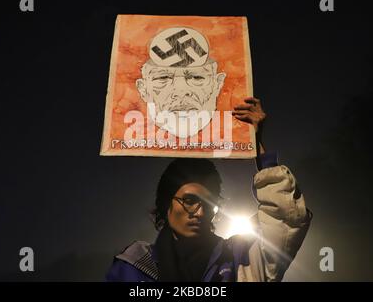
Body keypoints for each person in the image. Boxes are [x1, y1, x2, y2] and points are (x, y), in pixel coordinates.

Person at [106, 97, 312, 282]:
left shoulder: (239, 260)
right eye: (189, 201)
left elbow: (287, 218)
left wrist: (256, 144)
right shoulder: (132, 267)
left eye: (208, 203)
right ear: (166, 202)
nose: (201, 212)